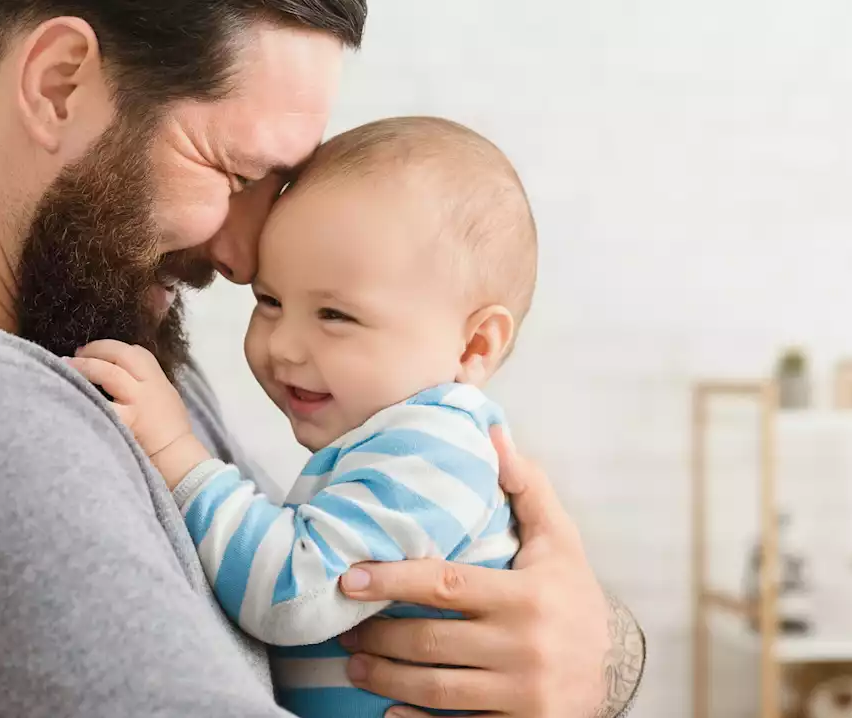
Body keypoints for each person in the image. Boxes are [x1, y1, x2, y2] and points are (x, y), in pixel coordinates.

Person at [0, 2, 645, 717]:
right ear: (58, 83)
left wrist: (583, 651)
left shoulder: (88, 329)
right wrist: (593, 664)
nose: (246, 259)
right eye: (235, 174)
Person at [70, 116, 534, 717]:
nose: (284, 345)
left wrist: (177, 455)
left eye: (335, 315)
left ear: (473, 347)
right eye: (270, 301)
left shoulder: (436, 448)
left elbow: (293, 591)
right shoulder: (392, 444)